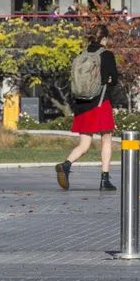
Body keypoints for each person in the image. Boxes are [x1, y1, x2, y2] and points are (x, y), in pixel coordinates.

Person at [55, 25, 120, 192]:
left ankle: (66, 164)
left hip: (82, 104)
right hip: (100, 103)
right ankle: (104, 179)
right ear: (104, 38)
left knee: (84, 144)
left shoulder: (81, 55)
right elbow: (114, 80)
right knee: (106, 139)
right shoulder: (106, 54)